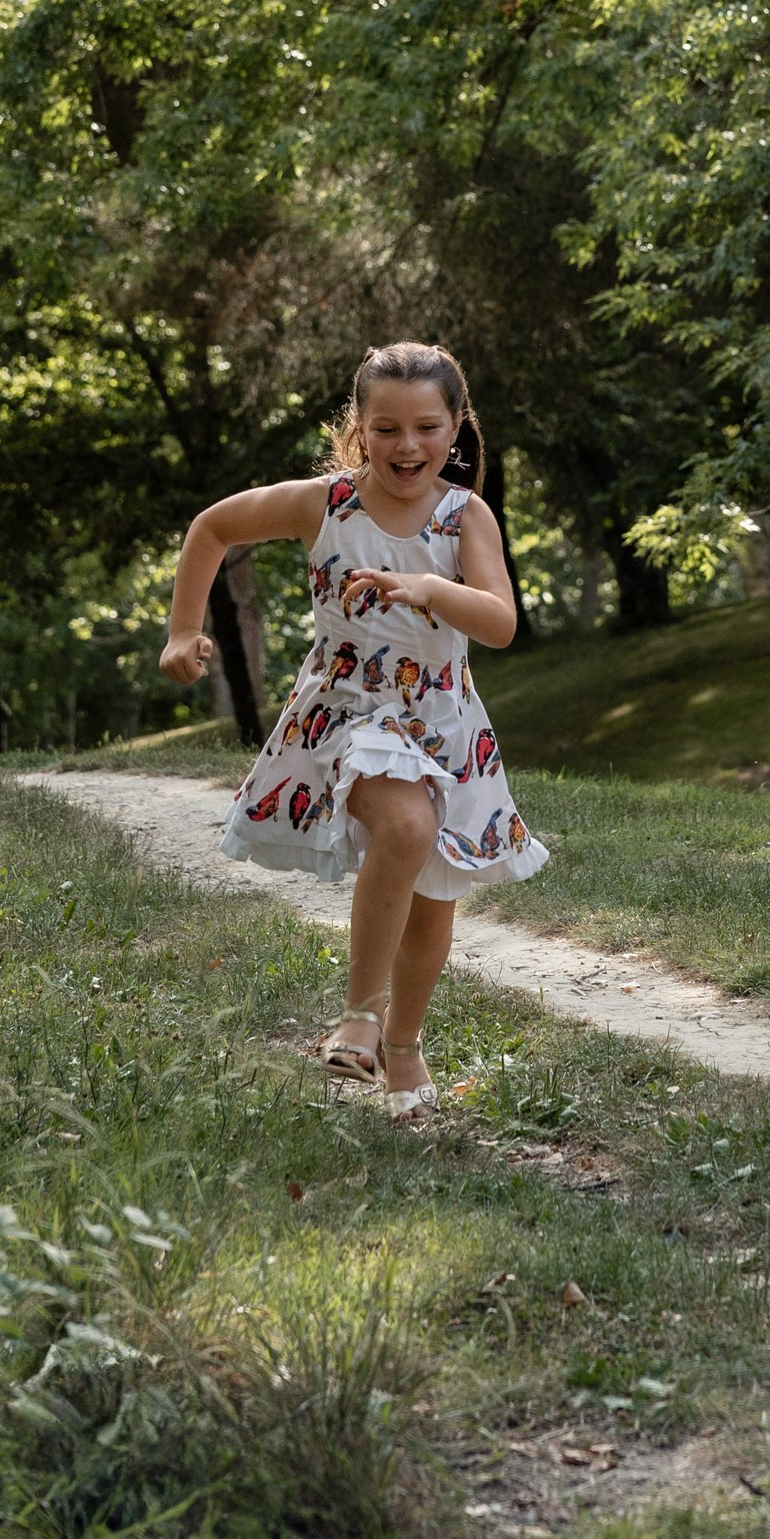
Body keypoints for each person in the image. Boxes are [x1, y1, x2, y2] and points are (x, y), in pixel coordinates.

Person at [158, 339, 545, 1116]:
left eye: (429, 427)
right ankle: (359, 1016)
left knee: (434, 897)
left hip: (442, 718)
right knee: (404, 825)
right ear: (359, 428)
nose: (409, 447)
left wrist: (428, 586)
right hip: (346, 709)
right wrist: (181, 630)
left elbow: (500, 622)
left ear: (458, 425)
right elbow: (212, 526)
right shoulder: (324, 502)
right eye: (389, 428)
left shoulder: (463, 515)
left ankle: (401, 1047)